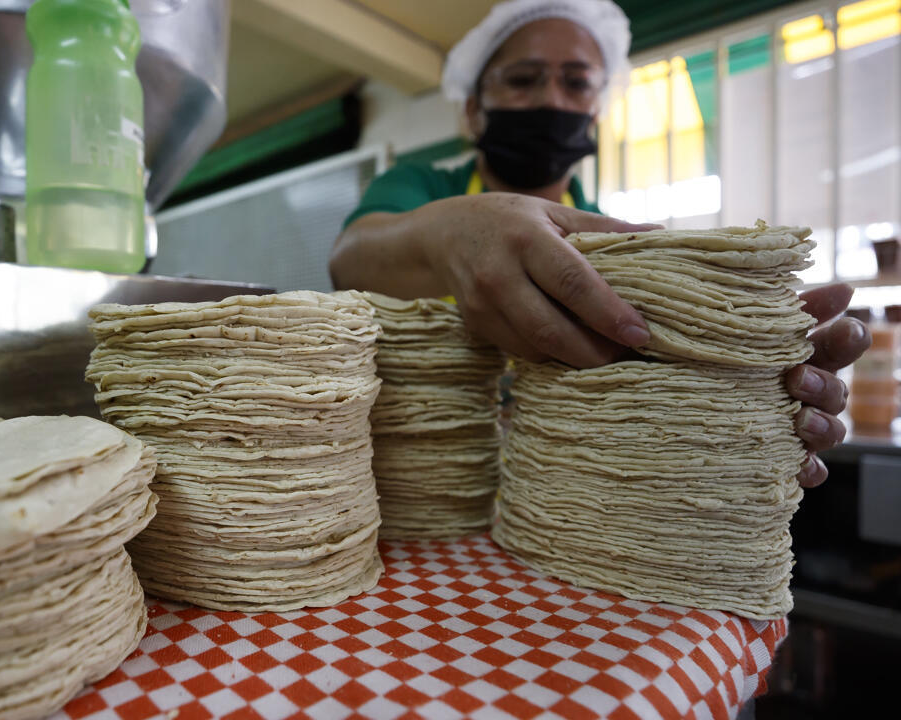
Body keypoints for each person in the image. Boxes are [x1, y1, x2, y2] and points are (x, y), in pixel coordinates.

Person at [328, 0, 869, 488]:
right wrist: (451, 232)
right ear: (472, 108)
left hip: (558, 495)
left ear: (596, 108)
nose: (550, 99)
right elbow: (350, 258)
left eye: (576, 83)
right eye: (522, 78)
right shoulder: (421, 187)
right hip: (411, 489)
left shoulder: (621, 249)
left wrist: (738, 396)